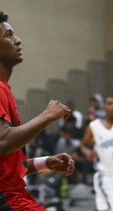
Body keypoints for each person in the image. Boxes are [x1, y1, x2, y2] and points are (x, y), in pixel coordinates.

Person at [0, 11, 76, 210]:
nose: (18, 40)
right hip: (6, 197)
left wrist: (46, 163)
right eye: (8, 36)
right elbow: (2, 142)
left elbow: (7, 164)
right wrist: (47, 116)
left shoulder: (4, 89)